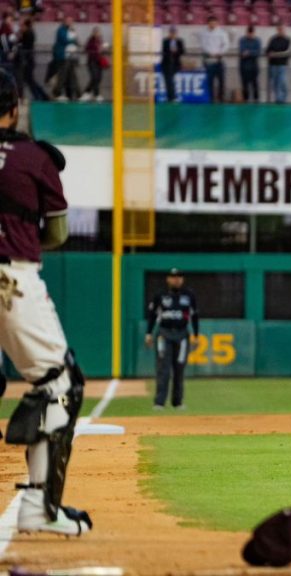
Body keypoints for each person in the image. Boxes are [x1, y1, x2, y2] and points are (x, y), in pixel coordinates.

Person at [0, 70, 93, 536]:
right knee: (59, 383)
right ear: (15, 108)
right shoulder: (34, 157)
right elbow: (56, 233)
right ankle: (40, 504)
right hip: (9, 278)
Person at [145, 268, 199, 410]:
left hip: (182, 335)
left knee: (179, 368)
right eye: (173, 277)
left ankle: (177, 402)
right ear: (168, 279)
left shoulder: (189, 295)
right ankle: (159, 402)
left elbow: (194, 316)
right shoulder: (160, 295)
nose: (176, 279)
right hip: (164, 334)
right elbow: (152, 315)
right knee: (163, 368)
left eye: (179, 277)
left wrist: (196, 335)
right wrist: (149, 333)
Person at [16, 17, 47, 101]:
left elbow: (22, 45)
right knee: (30, 80)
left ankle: (41, 96)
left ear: (26, 26)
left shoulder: (28, 33)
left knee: (30, 80)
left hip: (27, 61)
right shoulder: (29, 32)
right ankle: (42, 95)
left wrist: (19, 38)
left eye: (22, 25)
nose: (20, 27)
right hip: (28, 60)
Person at [51, 16, 80, 101]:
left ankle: (76, 94)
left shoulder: (70, 30)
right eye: (68, 21)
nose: (70, 22)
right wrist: (74, 40)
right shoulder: (61, 30)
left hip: (69, 56)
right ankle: (57, 93)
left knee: (72, 76)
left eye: (71, 21)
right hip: (62, 56)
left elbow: (75, 40)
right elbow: (65, 40)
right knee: (62, 75)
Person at [200, 16, 229, 103]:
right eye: (211, 23)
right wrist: (210, 53)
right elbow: (203, 45)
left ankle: (221, 98)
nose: (212, 25)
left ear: (217, 23)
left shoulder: (222, 33)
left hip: (219, 60)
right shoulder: (204, 33)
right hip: (209, 60)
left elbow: (226, 44)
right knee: (210, 81)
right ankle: (211, 99)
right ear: (208, 23)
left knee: (221, 81)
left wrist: (220, 53)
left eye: (214, 23)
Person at [266, 25, 291, 104]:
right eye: (279, 30)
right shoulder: (273, 39)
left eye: (282, 30)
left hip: (282, 64)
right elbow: (268, 50)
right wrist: (270, 54)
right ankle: (278, 97)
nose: (281, 31)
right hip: (273, 64)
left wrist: (275, 54)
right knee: (275, 82)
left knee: (281, 80)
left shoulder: (287, 40)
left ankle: (281, 97)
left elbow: (286, 52)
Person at [161, 26, 184, 102]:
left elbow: (182, 51)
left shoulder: (179, 41)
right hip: (166, 63)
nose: (173, 34)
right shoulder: (165, 41)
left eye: (174, 33)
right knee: (168, 80)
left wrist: (176, 51)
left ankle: (172, 97)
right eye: (171, 33)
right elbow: (163, 51)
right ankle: (170, 97)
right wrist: (169, 51)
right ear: (169, 33)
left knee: (171, 80)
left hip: (175, 63)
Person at [239, 25, 261, 102]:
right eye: (249, 33)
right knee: (244, 84)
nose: (250, 35)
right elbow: (242, 52)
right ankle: (245, 99)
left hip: (254, 66)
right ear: (246, 33)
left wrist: (249, 52)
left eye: (252, 33)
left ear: (254, 33)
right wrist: (251, 52)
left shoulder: (257, 41)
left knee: (255, 84)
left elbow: (258, 52)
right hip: (244, 66)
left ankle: (256, 99)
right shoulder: (242, 40)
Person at [81, 26, 104, 102]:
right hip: (92, 61)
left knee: (98, 78)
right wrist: (94, 51)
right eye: (96, 32)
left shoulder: (100, 41)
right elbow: (86, 49)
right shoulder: (90, 40)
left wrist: (102, 49)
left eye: (98, 32)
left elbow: (101, 50)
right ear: (93, 33)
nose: (97, 34)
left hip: (99, 61)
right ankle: (90, 93)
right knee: (94, 77)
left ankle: (93, 94)